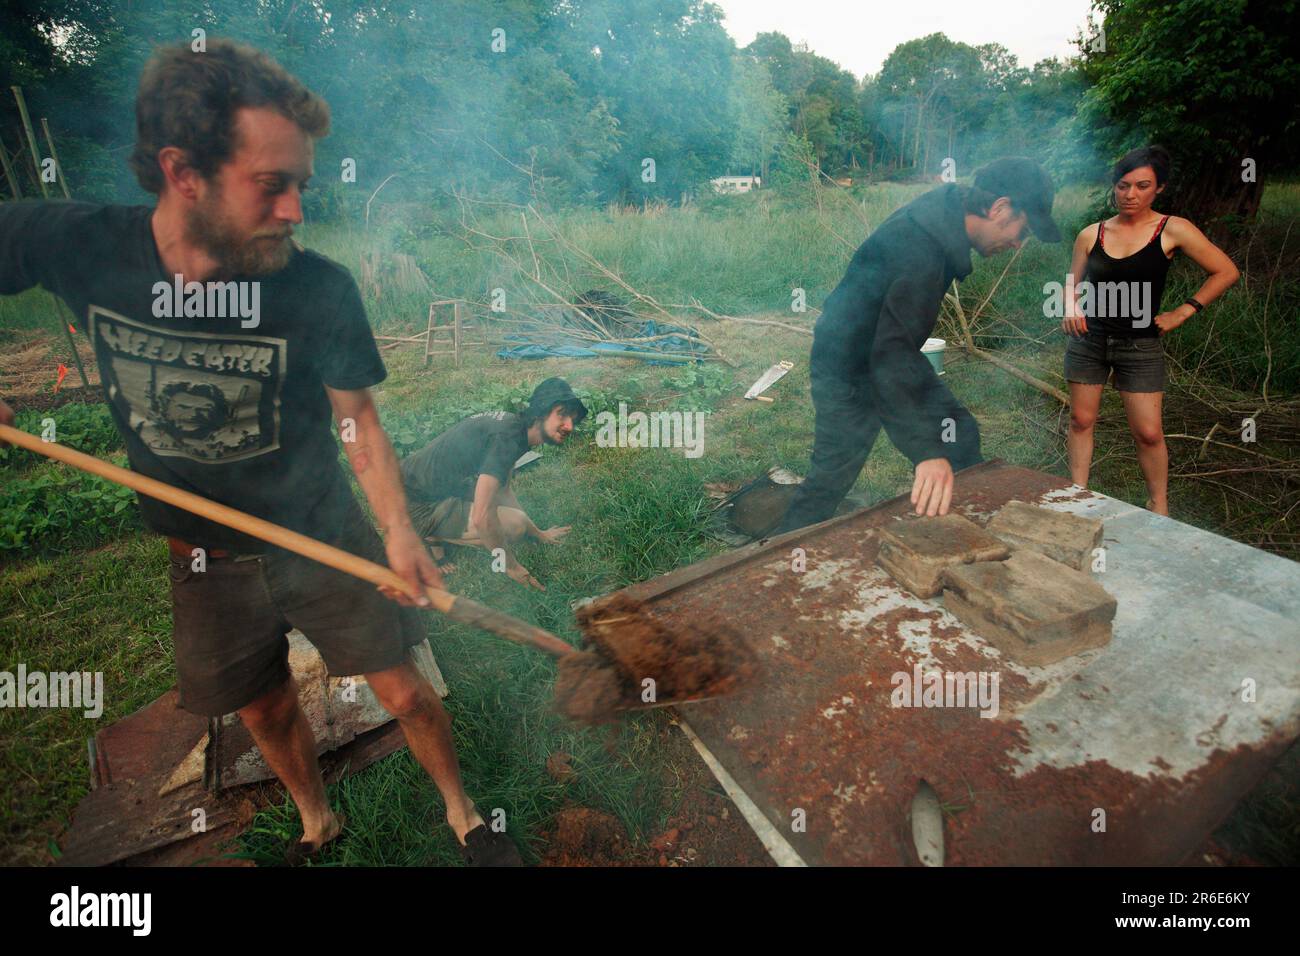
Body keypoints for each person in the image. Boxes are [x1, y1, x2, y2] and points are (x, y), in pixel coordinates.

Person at [0, 40, 521, 865]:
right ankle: (318, 823)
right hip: (202, 556)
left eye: (302, 186)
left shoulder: (317, 290)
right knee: (263, 711)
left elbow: (358, 423)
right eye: (271, 186)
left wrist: (396, 531)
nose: (294, 211)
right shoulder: (82, 246)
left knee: (401, 689)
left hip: (318, 532)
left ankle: (462, 813)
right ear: (183, 173)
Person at [773, 158, 1062, 534]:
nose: (1018, 245)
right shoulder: (920, 249)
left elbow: (894, 348)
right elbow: (887, 355)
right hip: (848, 363)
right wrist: (926, 451)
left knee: (956, 432)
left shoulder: (945, 213)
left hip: (888, 351)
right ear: (1000, 208)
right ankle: (773, 557)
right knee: (832, 476)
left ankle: (961, 529)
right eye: (1023, 231)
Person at [1062, 145, 1240, 515]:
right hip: (1088, 341)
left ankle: (1158, 506)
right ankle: (1077, 494)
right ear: (1114, 186)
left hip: (1140, 345)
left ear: (1159, 188)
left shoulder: (1172, 229)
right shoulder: (1091, 234)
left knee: (1148, 432)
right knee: (1081, 420)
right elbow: (1071, 282)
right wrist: (1070, 305)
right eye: (1123, 186)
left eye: (1142, 186)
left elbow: (1226, 271)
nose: (1131, 195)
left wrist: (1183, 311)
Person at [402, 377, 584, 590]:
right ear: (541, 411)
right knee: (514, 526)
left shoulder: (513, 428)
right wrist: (510, 566)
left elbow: (503, 489)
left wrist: (537, 533)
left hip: (432, 484)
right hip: (412, 504)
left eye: (573, 418)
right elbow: (482, 517)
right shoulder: (506, 441)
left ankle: (441, 529)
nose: (569, 426)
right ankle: (428, 533)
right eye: (562, 414)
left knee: (516, 520)